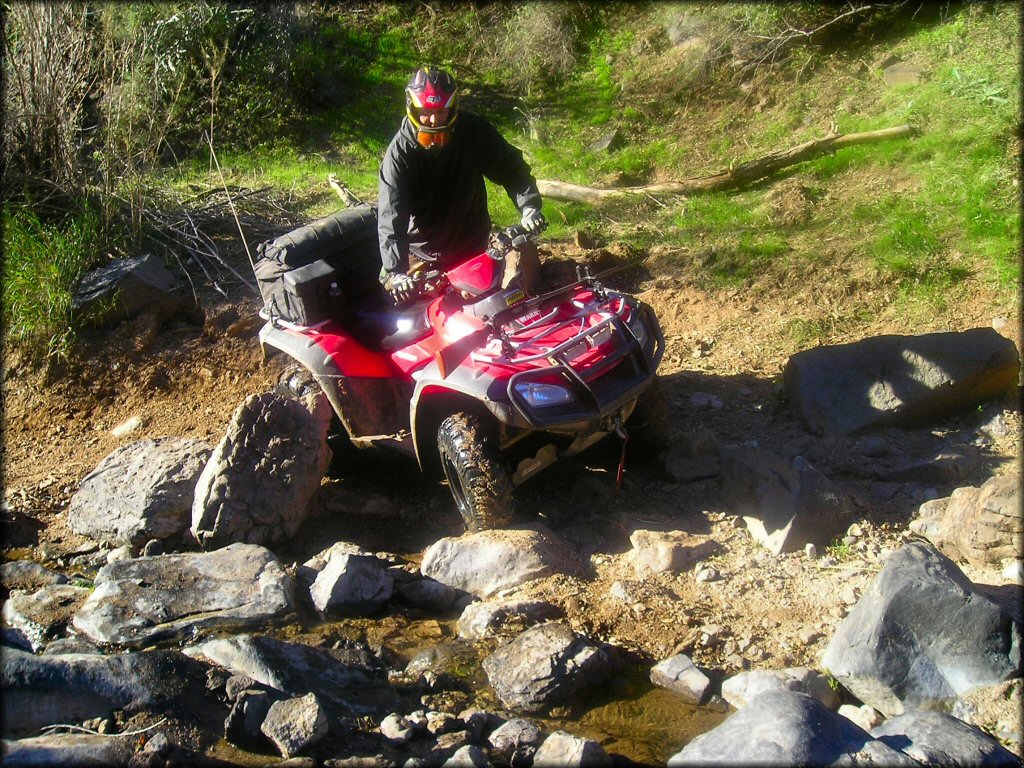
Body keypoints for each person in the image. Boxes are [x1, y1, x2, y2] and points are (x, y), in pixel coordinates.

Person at [378, 66, 546, 303]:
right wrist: (395, 271)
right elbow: (390, 216)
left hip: (474, 246)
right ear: (413, 108)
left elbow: (510, 167)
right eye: (426, 111)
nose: (434, 119)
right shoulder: (399, 154)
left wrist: (529, 206)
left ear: (453, 106)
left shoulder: (474, 131)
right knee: (423, 320)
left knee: (504, 300)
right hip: (425, 256)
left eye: (441, 111)